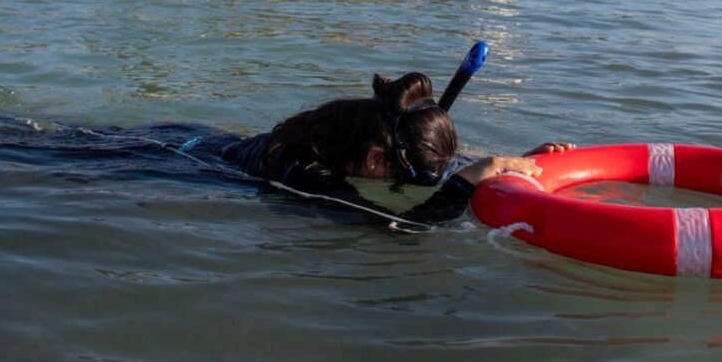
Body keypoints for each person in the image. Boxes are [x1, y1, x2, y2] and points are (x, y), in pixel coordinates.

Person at [220, 72, 573, 226]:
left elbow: (450, 169)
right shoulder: (308, 174)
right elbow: (398, 228)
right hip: (179, 158)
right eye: (415, 178)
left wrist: (514, 166)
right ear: (376, 158)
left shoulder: (360, 132)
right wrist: (463, 184)